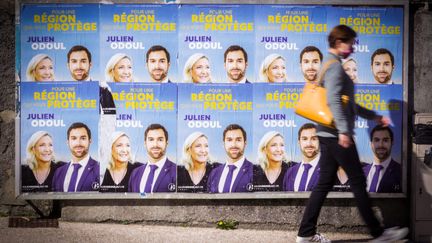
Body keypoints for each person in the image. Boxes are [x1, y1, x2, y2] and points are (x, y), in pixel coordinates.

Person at [295, 25, 408, 243]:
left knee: (324, 183)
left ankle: (305, 234)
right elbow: (334, 101)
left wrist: (373, 116)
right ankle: (378, 234)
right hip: (337, 135)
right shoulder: (335, 68)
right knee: (357, 181)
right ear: (339, 43)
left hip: (327, 134)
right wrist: (345, 131)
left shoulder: (328, 64)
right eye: (351, 43)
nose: (353, 47)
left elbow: (348, 103)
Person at [52, 122, 100, 192]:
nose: (78, 143)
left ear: (90, 141)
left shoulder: (100, 170)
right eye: (74, 138)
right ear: (68, 142)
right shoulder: (59, 172)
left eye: (83, 138)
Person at [128, 124, 176, 193]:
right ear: (145, 143)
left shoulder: (177, 172)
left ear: (167, 143)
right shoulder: (135, 173)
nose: (155, 145)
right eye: (151, 139)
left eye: (160, 140)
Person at [207, 124, 253, 193]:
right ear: (223, 144)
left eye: (238, 140)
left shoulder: (253, 171)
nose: (234, 145)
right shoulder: (214, 173)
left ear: (245, 143)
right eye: (229, 140)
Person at [283, 123, 321, 192]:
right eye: (304, 139)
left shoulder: (328, 171)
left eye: (314, 139)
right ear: (299, 142)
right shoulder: (290, 172)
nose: (309, 144)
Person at [363, 125, 402, 193]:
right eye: (376, 140)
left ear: (392, 143)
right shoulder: (362, 172)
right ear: (371, 144)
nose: (381, 145)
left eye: (385, 140)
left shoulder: (401, 172)